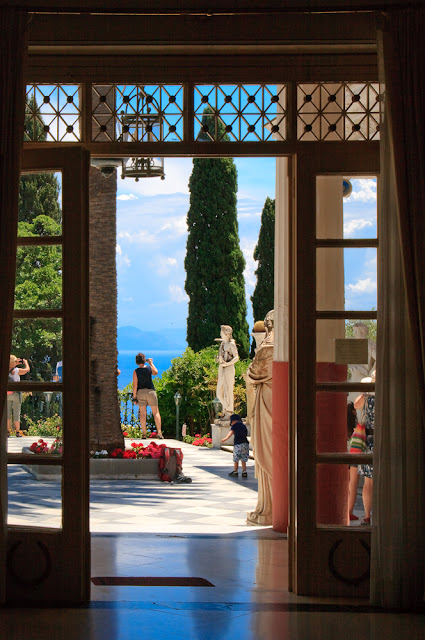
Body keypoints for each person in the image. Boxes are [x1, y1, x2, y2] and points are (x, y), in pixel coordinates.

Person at [246, 310, 274, 526]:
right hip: (279, 404)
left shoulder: (267, 348)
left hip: (266, 404)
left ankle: (270, 508)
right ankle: (271, 507)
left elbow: (252, 373)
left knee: (266, 453)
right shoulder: (289, 346)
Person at [354, 369, 376, 526]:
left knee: (369, 482)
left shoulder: (367, 396)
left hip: (369, 439)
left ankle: (367, 516)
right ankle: (377, 515)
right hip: (383, 439)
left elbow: (356, 405)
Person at [132, 352, 163, 439]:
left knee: (142, 413)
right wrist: (151, 363)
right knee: (155, 412)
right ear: (144, 360)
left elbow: (135, 385)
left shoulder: (136, 371)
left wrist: (134, 397)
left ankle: (144, 434)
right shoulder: (149, 369)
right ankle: (159, 433)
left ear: (137, 361)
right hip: (150, 392)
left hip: (141, 393)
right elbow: (156, 372)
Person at [216, 325, 239, 419]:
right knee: (219, 392)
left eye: (222, 332)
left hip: (229, 369)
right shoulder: (222, 344)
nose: (220, 334)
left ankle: (228, 412)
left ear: (226, 333)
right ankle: (227, 409)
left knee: (228, 390)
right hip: (221, 369)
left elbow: (236, 357)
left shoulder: (231, 344)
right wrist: (219, 360)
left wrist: (227, 364)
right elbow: (220, 355)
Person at [7, 354, 30, 437]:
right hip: (16, 393)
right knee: (16, 413)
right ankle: (17, 432)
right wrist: (26, 363)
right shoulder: (16, 371)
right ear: (14, 362)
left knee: (8, 414)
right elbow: (27, 370)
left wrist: (15, 362)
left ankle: (7, 432)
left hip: (7, 394)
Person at [221, 413, 249, 478]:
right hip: (245, 444)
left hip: (238, 444)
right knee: (243, 459)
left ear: (233, 421)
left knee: (236, 458)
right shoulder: (243, 425)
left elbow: (231, 432)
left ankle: (235, 471)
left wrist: (225, 438)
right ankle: (244, 471)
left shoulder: (234, 426)